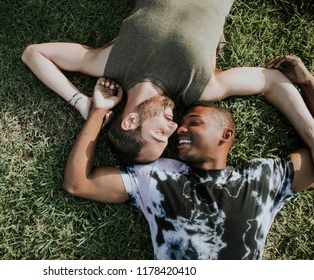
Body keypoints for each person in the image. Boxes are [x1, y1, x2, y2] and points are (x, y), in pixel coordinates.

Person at [22, 0, 314, 164]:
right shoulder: (200, 88)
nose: (174, 128)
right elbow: (272, 81)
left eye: (160, 135)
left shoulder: (109, 63)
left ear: (129, 121)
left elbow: (34, 54)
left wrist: (84, 104)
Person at [63, 77, 314, 259]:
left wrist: (307, 84)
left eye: (194, 123)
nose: (180, 129)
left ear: (225, 135)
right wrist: (99, 111)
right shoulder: (156, 175)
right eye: (180, 124)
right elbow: (78, 183)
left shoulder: (262, 179)